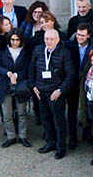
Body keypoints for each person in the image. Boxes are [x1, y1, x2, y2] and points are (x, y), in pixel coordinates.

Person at [29, 29, 76, 159]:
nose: (48, 42)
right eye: (46, 39)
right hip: (40, 91)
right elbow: (31, 69)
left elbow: (70, 75)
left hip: (56, 92)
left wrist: (60, 90)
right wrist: (33, 86)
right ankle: (50, 143)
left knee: (59, 121)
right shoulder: (38, 50)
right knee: (45, 119)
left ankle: (61, 147)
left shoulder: (64, 53)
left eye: (51, 39)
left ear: (58, 39)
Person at [0, 29, 31, 148]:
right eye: (12, 39)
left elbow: (27, 69)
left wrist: (17, 75)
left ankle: (23, 136)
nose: (15, 42)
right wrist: (8, 73)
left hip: (20, 84)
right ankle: (11, 136)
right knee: (7, 113)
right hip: (5, 84)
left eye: (17, 40)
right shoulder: (2, 50)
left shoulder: (25, 52)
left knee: (22, 112)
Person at [65, 22, 93, 148]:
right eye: (78, 34)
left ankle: (87, 134)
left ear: (88, 36)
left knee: (87, 109)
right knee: (72, 110)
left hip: (87, 83)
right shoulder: (69, 46)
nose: (79, 37)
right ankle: (73, 136)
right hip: (73, 83)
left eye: (82, 35)